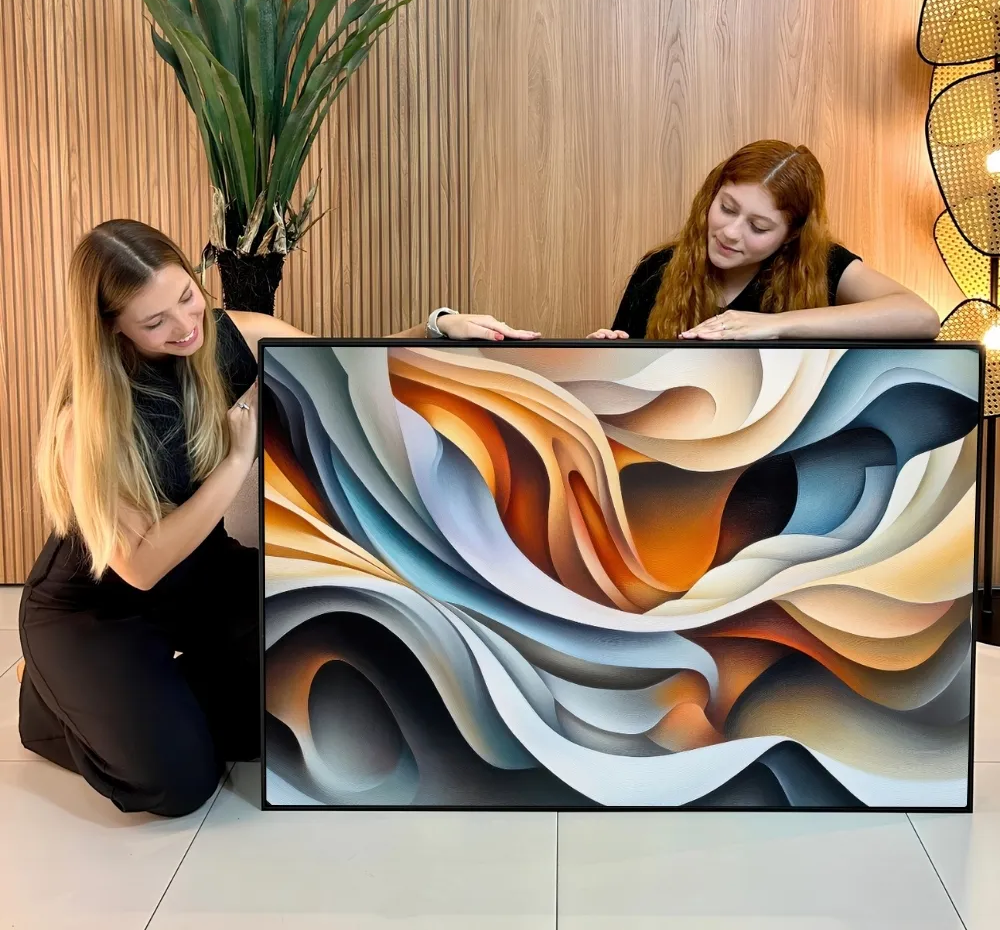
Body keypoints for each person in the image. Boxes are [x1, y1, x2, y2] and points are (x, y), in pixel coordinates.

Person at [17, 219, 540, 817]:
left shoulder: (231, 335)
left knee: (331, 657)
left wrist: (439, 327)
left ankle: (140, 703)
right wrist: (236, 462)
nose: (185, 326)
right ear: (112, 328)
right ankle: (52, 705)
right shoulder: (86, 420)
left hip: (202, 574)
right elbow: (140, 567)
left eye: (186, 296)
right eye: (155, 321)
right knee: (179, 784)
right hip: (100, 607)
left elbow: (338, 361)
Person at [589, 140, 941, 341]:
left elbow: (922, 318)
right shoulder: (658, 269)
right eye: (727, 208)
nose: (730, 233)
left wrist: (775, 325)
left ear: (791, 235)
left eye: (758, 227)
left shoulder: (822, 265)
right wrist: (602, 359)